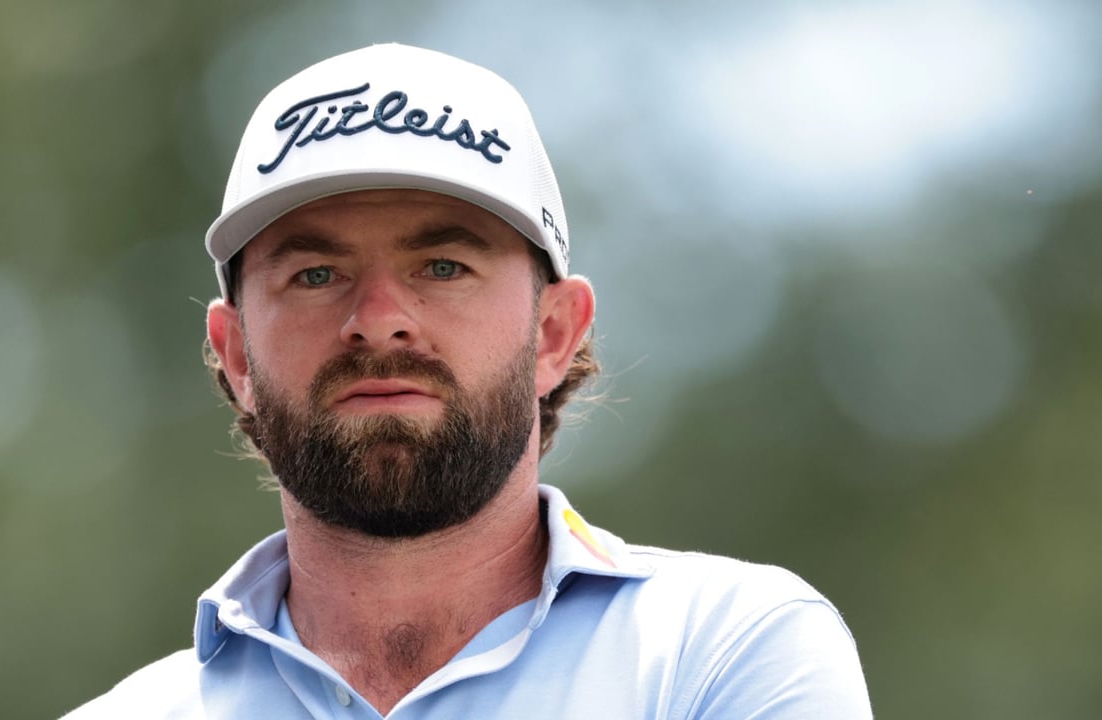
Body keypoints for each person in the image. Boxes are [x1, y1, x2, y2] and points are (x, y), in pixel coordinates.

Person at [64, 43, 873, 719]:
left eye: (443, 266)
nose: (378, 318)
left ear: (554, 333)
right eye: (315, 274)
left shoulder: (724, 652)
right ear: (236, 354)